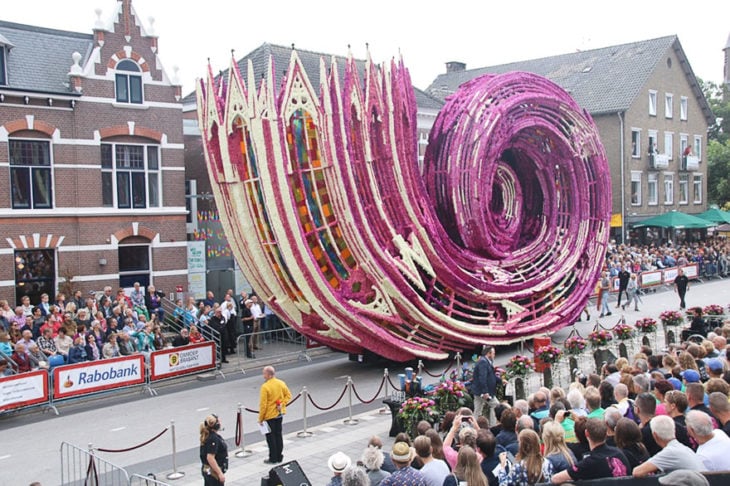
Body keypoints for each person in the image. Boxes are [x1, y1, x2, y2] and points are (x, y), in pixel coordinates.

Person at [551, 418, 630, 483]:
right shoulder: (619, 453)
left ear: (587, 433)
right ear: (606, 433)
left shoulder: (589, 462)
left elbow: (555, 479)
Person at [632, 415, 704, 477]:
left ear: (655, 435)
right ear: (674, 431)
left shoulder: (670, 452)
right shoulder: (684, 449)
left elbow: (637, 472)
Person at [258, 365, 292, 464]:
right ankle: (279, 456)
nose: (263, 375)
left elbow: (263, 404)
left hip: (269, 415)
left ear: (268, 375)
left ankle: (273, 457)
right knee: (278, 435)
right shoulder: (281, 383)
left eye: (264, 373)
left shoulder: (265, 387)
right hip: (279, 413)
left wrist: (260, 418)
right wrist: (282, 404)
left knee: (270, 437)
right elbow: (288, 395)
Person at [472, 345, 498, 425]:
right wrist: (485, 392)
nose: (494, 355)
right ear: (488, 353)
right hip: (483, 392)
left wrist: (500, 380)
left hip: (479, 392)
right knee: (496, 405)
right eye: (493, 353)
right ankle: (493, 425)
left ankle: (473, 426)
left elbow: (491, 376)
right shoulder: (483, 362)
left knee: (477, 410)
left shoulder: (486, 361)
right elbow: (482, 378)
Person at [199, 414, 227, 486]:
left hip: (208, 471)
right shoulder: (213, 438)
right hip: (213, 473)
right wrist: (219, 473)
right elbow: (210, 457)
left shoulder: (209, 435)